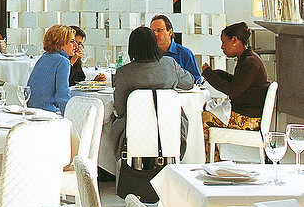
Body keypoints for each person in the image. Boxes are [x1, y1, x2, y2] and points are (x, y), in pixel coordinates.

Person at [110, 25, 195, 159]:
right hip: (169, 130)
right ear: (154, 44)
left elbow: (120, 110)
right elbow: (190, 83)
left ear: (132, 47)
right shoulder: (170, 64)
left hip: (134, 133)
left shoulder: (124, 72)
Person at [200, 22, 269, 158]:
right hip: (248, 112)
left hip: (249, 118)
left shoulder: (250, 63)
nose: (222, 47)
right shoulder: (249, 59)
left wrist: (208, 74)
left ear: (234, 41)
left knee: (202, 119)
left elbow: (233, 90)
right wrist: (218, 74)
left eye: (224, 42)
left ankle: (212, 161)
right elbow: (239, 82)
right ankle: (214, 160)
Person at [26, 24, 78, 115]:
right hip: (47, 113)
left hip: (31, 111)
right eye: (72, 41)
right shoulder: (62, 61)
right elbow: (62, 96)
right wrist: (70, 118)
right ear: (60, 43)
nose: (76, 46)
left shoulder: (44, 57)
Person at [150, 14, 201, 81]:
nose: (155, 34)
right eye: (152, 31)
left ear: (170, 32)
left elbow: (196, 80)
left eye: (159, 30)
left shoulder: (185, 54)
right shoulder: (149, 54)